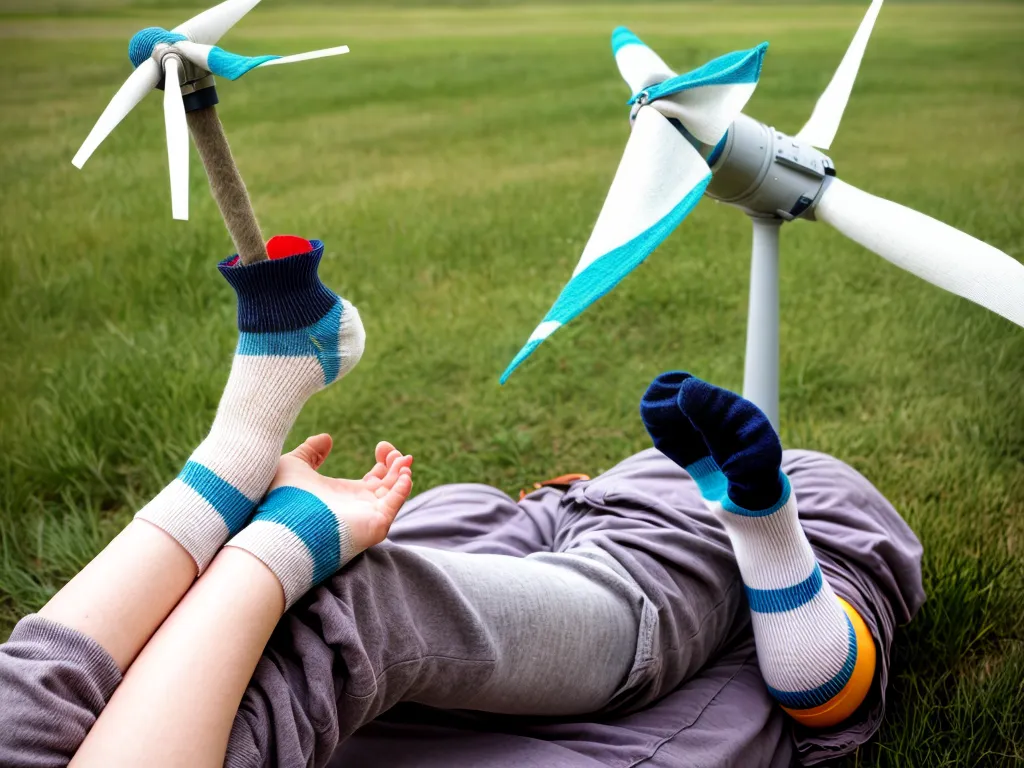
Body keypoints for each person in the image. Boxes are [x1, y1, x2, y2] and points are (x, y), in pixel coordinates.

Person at [0, 236, 924, 767]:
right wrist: (274, 552)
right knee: (345, 611)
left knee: (22, 717)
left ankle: (238, 456)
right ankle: (757, 527)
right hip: (638, 587)